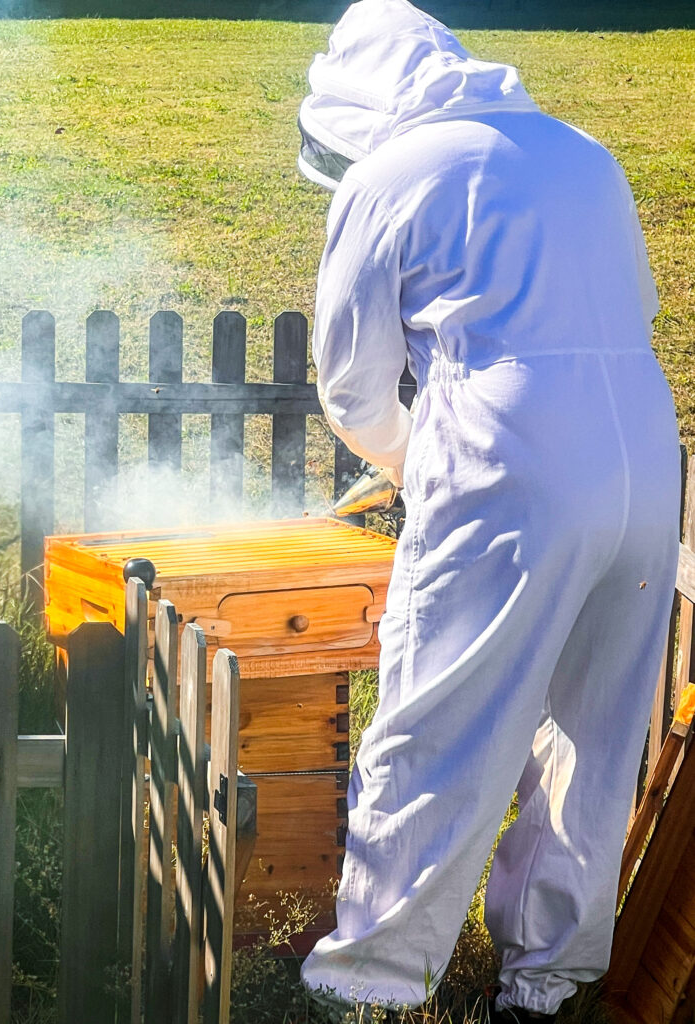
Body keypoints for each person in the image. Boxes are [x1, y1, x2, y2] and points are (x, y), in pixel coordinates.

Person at [296, 2, 681, 1021]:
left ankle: (369, 987)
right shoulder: (581, 150)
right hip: (647, 450)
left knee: (441, 722)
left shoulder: (389, 174)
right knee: (592, 733)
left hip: (509, 457)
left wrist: (415, 461)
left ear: (358, 109)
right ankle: (546, 988)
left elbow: (352, 388)